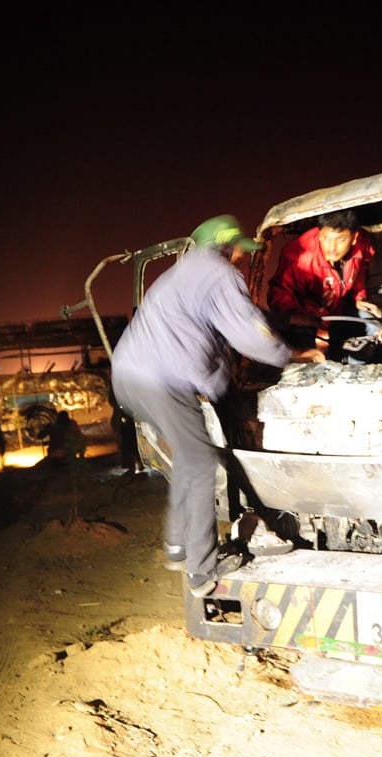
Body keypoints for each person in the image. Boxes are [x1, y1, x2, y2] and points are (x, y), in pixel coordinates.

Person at [111, 214, 325, 598]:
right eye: (242, 251)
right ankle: (202, 571)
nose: (244, 259)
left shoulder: (185, 273)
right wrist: (296, 353)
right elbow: (249, 334)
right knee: (201, 461)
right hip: (161, 379)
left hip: (129, 376)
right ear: (226, 245)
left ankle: (179, 547)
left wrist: (288, 318)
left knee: (191, 458)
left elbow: (232, 315)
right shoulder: (218, 272)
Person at [266, 210, 381, 359]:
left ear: (354, 238)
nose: (332, 247)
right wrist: (306, 319)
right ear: (320, 234)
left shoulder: (363, 242)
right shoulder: (299, 257)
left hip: (338, 310)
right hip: (307, 318)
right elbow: (279, 295)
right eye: (326, 238)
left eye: (340, 240)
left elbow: (361, 267)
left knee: (370, 326)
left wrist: (358, 297)